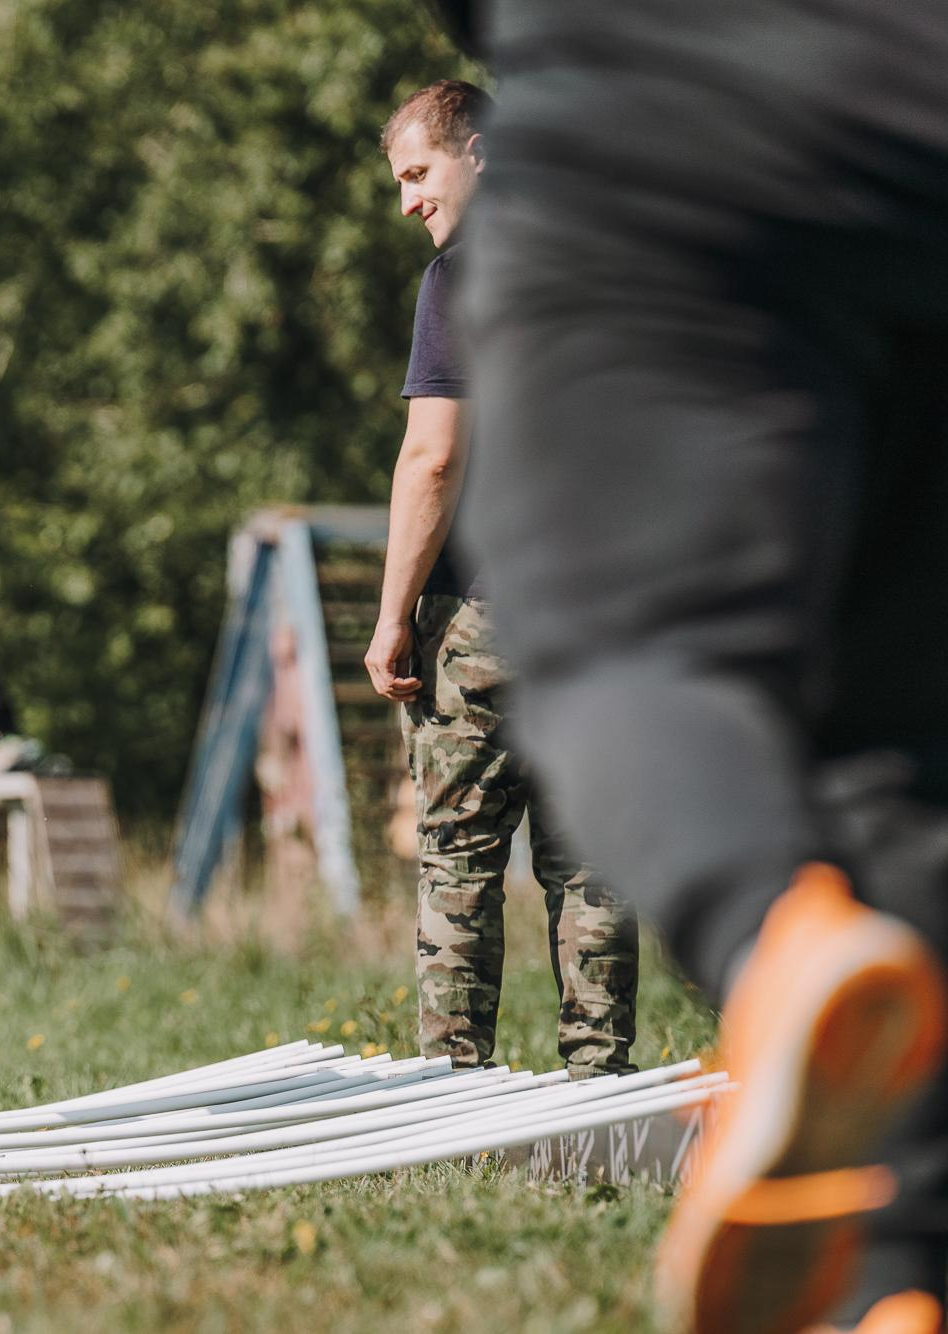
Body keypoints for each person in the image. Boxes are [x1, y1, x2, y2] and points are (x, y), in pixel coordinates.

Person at [439, 2, 948, 1329]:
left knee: (629, 637)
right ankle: (891, 1280)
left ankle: (775, 938)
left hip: (665, 113)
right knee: (905, 762)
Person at [364, 79, 638, 1080]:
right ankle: (598, 1092)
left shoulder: (461, 277)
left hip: (486, 612)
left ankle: (451, 1093)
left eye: (415, 173)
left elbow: (432, 457)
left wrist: (392, 616)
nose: (406, 201)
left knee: (460, 860)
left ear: (473, 150)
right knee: (592, 860)